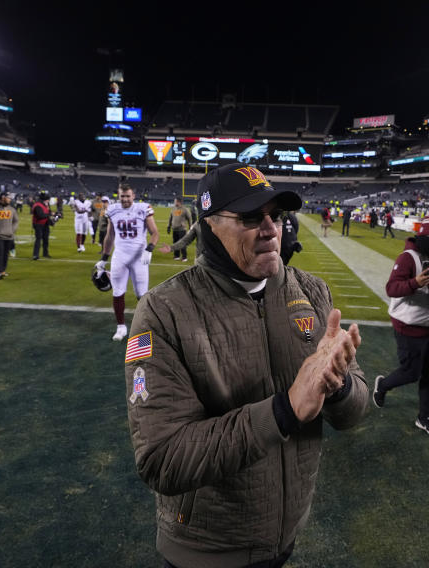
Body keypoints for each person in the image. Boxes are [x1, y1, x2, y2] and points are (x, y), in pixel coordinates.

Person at [125, 162, 367, 568]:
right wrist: (283, 411)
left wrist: (337, 386)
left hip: (285, 535)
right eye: (252, 217)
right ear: (211, 227)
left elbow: (355, 410)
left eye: (277, 216)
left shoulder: (311, 291)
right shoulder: (164, 312)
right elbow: (161, 459)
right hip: (208, 551)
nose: (272, 229)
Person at [372, 211, 429, 440]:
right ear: (423, 236)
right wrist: (414, 283)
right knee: (411, 373)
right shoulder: (409, 257)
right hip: (409, 325)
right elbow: (391, 288)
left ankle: (424, 417)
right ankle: (383, 385)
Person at [99, 183, 160, 341]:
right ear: (118, 196)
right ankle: (121, 327)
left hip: (139, 257)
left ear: (133, 196)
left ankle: (144, 328)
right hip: (119, 255)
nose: (125, 199)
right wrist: (103, 258)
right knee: (117, 292)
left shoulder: (143, 208)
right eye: (122, 196)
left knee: (142, 294)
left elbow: (155, 233)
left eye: (128, 196)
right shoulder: (113, 210)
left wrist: (149, 249)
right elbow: (110, 236)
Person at [167, 197, 193, 262]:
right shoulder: (173, 209)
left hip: (182, 229)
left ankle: (184, 257)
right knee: (175, 243)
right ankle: (177, 256)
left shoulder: (185, 209)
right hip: (174, 229)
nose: (174, 202)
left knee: (182, 243)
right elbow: (170, 218)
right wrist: (169, 226)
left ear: (179, 202)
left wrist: (190, 227)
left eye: (175, 201)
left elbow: (189, 219)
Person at [31, 191, 52, 260]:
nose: (48, 201)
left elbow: (48, 212)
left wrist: (53, 217)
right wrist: (50, 215)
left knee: (46, 239)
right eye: (48, 199)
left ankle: (45, 253)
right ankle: (35, 255)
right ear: (45, 199)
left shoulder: (46, 204)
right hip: (38, 224)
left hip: (45, 224)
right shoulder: (37, 205)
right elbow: (41, 215)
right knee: (38, 239)